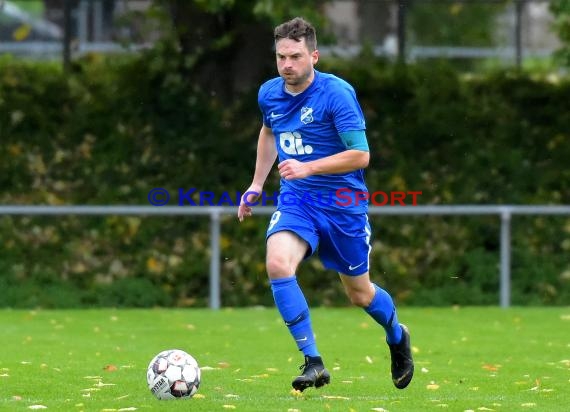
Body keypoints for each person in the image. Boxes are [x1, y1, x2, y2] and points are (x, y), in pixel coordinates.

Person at [237, 16, 414, 392]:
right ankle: (313, 362)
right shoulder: (269, 93)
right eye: (281, 57)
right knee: (277, 262)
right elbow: (269, 131)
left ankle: (397, 335)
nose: (287, 65)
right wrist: (256, 183)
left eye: (296, 56)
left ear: (314, 56)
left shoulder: (337, 94)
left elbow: (360, 155)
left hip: (343, 205)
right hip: (298, 200)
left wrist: (309, 166)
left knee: (359, 294)